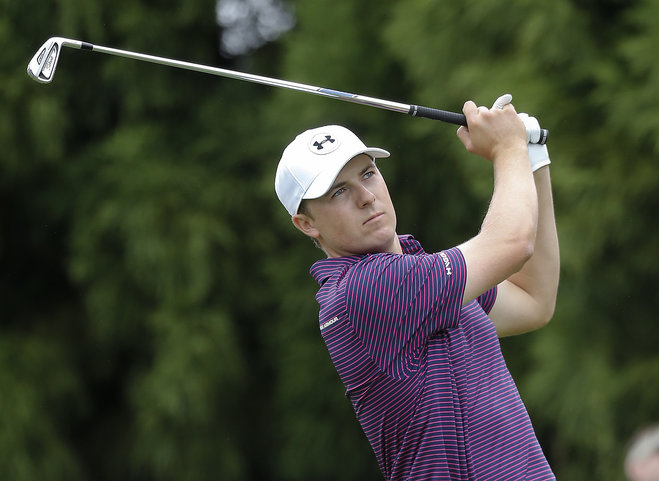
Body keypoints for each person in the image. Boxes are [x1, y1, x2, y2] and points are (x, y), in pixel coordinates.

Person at [274, 94, 560, 480]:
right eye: (338, 191)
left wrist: (531, 159)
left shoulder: (423, 277)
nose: (366, 197)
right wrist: (507, 148)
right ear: (307, 224)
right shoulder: (364, 290)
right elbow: (512, 243)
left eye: (367, 173)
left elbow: (533, 300)